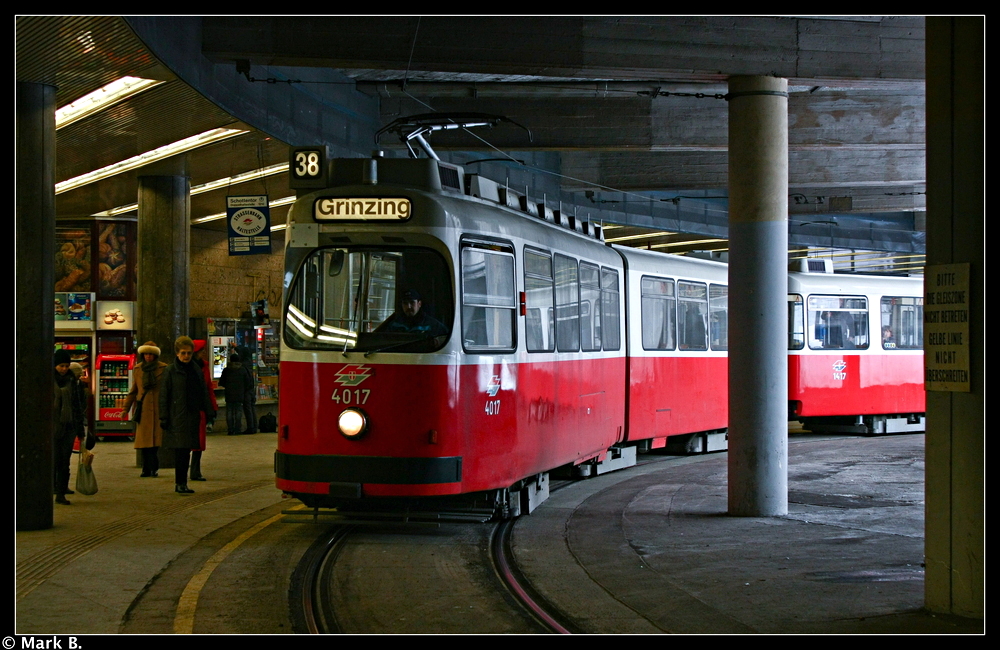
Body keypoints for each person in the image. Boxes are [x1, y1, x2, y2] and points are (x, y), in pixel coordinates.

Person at [159, 336, 211, 494]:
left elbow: (203, 391)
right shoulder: (170, 370)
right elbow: (164, 395)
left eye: (189, 353)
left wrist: (208, 412)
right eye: (183, 353)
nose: (186, 356)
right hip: (177, 415)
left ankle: (183, 482)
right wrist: (164, 417)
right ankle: (180, 483)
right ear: (177, 353)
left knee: (187, 449)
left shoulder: (195, 369)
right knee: (180, 451)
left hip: (192, 415)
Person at [122, 341, 167, 477]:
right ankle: (146, 468)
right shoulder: (138, 369)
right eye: (146, 354)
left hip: (158, 409)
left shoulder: (164, 369)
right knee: (144, 442)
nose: (148, 357)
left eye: (151, 354)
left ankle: (153, 467)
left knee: (155, 443)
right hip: (144, 409)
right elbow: (133, 391)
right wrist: (125, 408)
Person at [53, 350, 86, 505]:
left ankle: (61, 492)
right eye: (61, 366)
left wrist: (80, 430)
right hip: (53, 426)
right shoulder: (48, 381)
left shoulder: (72, 381)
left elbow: (77, 406)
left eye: (66, 366)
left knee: (64, 460)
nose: (64, 369)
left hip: (69, 426)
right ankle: (53, 488)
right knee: (53, 460)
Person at [190, 340, 218, 480]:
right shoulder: (186, 367)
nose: (203, 354)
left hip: (201, 407)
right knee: (186, 442)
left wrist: (213, 407)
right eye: (201, 351)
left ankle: (195, 470)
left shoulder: (205, 366)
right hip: (188, 408)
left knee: (199, 443)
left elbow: (209, 388)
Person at [375, 289, 448, 337]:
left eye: (412, 302)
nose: (409, 306)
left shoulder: (433, 325)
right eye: (405, 303)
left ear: (419, 304)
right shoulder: (394, 325)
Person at [219, 352, 250, 435]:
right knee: (238, 411)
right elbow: (247, 382)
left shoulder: (226, 370)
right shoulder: (242, 370)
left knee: (229, 411)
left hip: (229, 393)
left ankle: (230, 429)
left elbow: (221, 382)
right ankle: (237, 429)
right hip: (239, 393)